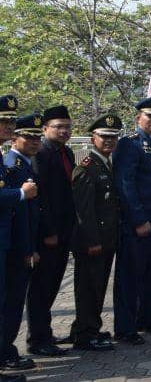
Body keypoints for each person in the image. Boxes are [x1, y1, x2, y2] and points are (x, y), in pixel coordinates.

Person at [113, 96, 151, 344]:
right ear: (139, 118)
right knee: (130, 276)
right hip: (139, 223)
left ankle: (145, 318)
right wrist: (138, 219)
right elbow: (125, 185)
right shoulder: (130, 144)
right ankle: (125, 328)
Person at [68, 114, 122, 352]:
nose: (109, 141)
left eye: (113, 137)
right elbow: (83, 210)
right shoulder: (86, 167)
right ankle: (85, 335)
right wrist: (92, 241)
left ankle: (89, 327)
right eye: (104, 136)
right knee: (88, 288)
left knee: (98, 287)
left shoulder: (106, 163)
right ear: (93, 138)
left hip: (107, 239)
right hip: (93, 242)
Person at [27, 105, 76, 356]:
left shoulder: (66, 152)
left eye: (67, 126)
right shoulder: (41, 153)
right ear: (45, 129)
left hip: (64, 229)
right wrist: (48, 231)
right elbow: (40, 197)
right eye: (58, 126)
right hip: (48, 233)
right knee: (41, 287)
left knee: (53, 283)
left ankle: (44, 333)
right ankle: (37, 339)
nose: (64, 131)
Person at [2, 114, 41, 373]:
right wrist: (20, 193)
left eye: (10, 122)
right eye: (4, 122)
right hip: (11, 242)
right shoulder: (12, 163)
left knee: (10, 301)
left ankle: (5, 352)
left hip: (10, 241)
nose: (8, 127)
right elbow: (20, 207)